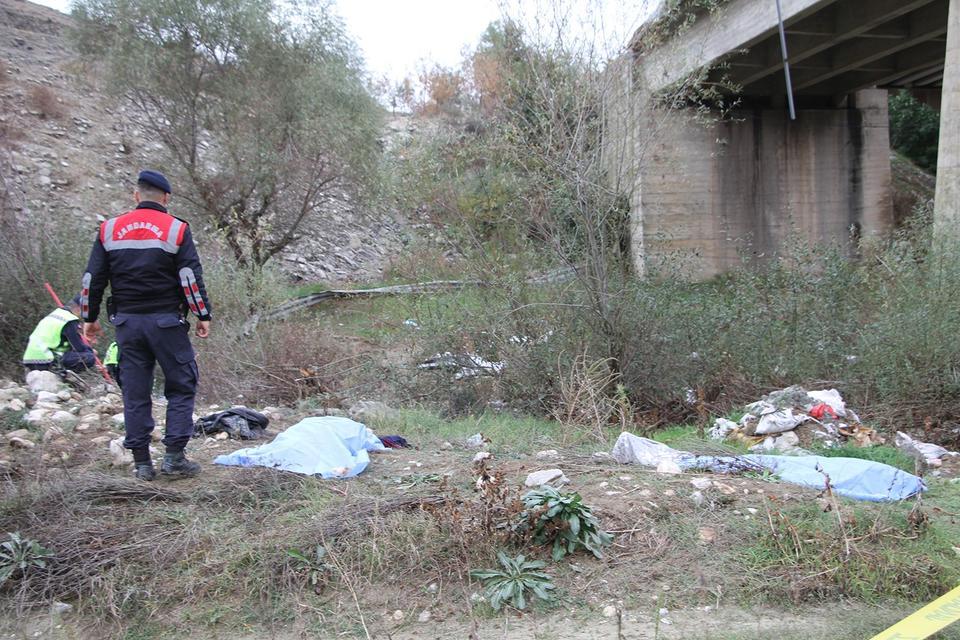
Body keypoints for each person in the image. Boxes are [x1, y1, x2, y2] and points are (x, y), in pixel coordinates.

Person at [80, 170, 212, 481]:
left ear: (136, 195)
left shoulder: (108, 230)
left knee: (135, 390)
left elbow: (92, 279)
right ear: (166, 198)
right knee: (181, 385)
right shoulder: (176, 229)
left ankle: (142, 463)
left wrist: (89, 318)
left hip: (128, 324)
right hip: (167, 322)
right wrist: (202, 314)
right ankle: (174, 457)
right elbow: (190, 279)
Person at [22, 295, 97, 374]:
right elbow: (78, 347)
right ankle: (64, 375)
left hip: (30, 359)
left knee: (72, 353)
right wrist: (91, 351)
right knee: (90, 358)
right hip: (46, 360)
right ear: (79, 308)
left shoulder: (56, 314)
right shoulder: (70, 320)